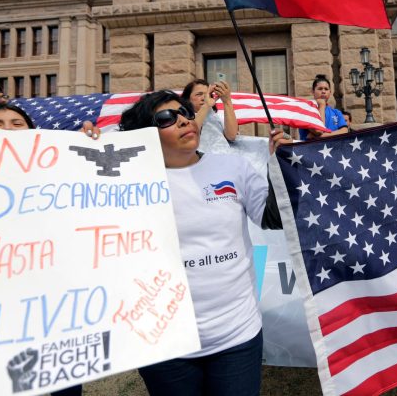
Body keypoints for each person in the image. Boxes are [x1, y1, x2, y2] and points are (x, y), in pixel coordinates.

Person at [106, 90, 287, 396]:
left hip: (236, 337)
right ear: (146, 135)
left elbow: (273, 218)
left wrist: (281, 168)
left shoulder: (233, 168)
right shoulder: (126, 183)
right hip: (163, 345)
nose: (183, 120)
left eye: (186, 113)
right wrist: (81, 154)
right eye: (166, 117)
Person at [182, 79, 238, 144]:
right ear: (188, 98)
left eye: (208, 94)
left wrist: (227, 101)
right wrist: (206, 105)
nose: (204, 98)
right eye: (199, 94)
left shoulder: (216, 116)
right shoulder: (182, 117)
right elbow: (192, 133)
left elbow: (231, 136)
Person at [299, 74, 349, 140]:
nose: (323, 91)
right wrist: (322, 105)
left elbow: (344, 131)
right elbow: (318, 131)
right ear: (313, 91)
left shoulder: (336, 112)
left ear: (330, 92)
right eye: (320, 89)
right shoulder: (306, 111)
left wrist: (322, 136)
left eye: (326, 89)